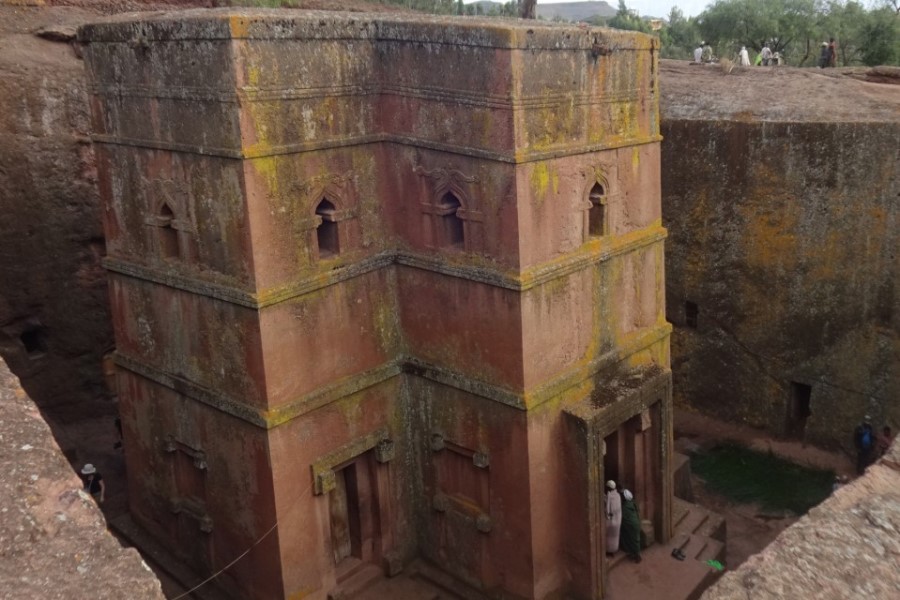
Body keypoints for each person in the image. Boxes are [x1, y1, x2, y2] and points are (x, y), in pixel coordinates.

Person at [619, 489, 642, 563]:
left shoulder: (625, 507)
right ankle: (633, 553)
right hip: (636, 523)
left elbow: (623, 517)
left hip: (632, 525)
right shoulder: (632, 503)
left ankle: (637, 556)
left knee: (634, 540)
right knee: (634, 539)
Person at [605, 480, 622, 555]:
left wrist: (608, 516)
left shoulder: (609, 496)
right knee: (615, 537)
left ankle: (609, 551)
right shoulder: (618, 495)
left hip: (611, 521)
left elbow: (607, 509)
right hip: (618, 520)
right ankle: (614, 550)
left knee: (609, 537)